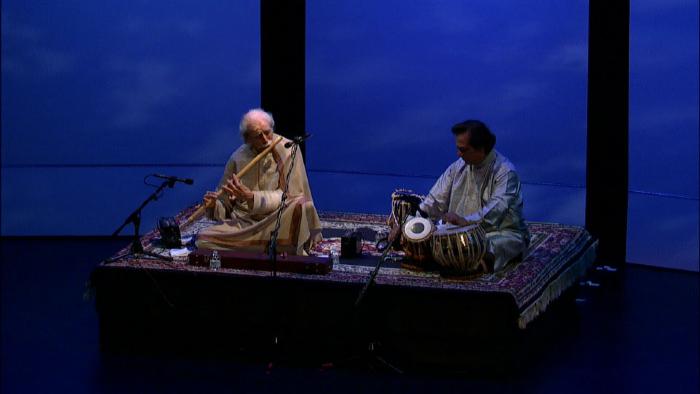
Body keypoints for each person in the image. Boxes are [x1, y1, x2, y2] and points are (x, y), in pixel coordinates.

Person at [195, 108, 322, 255]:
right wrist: (214, 206)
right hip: (246, 223)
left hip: (277, 219)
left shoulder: (289, 149)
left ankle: (269, 245)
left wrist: (252, 198)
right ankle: (272, 246)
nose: (266, 139)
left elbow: (291, 195)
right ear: (247, 138)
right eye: (258, 136)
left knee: (301, 206)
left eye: (267, 132)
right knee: (203, 239)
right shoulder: (237, 157)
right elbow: (225, 204)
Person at [419, 120, 529, 273]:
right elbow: (434, 201)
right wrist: (415, 222)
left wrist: (465, 222)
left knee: (488, 248)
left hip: (499, 232)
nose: (458, 154)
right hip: (459, 231)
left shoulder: (505, 172)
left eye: (463, 150)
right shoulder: (459, 166)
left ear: (481, 148)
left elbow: (495, 212)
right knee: (424, 240)